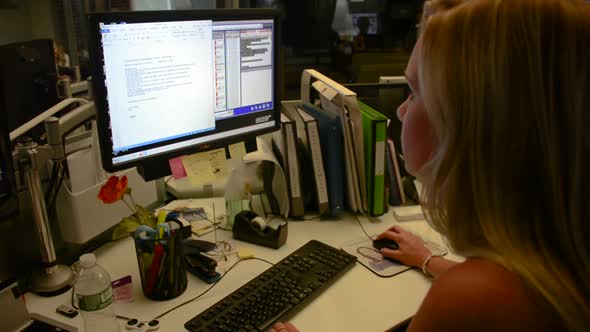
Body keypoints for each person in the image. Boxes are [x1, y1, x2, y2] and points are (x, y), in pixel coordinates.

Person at [270, 0, 590, 331]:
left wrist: (465, 284)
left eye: (415, 92)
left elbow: (486, 298)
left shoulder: (473, 300)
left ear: (478, 126)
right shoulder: (555, 260)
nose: (401, 112)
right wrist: (430, 261)